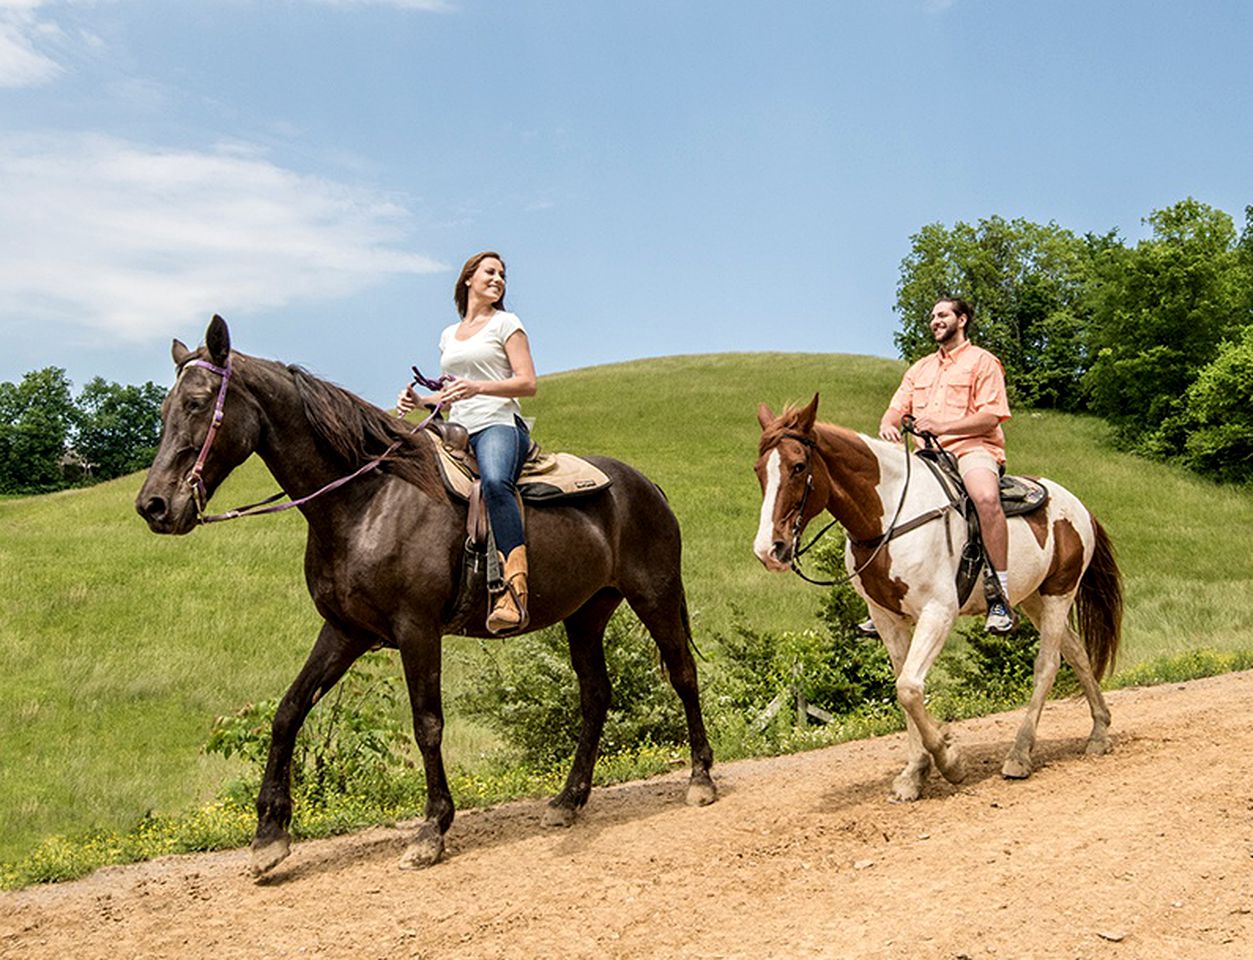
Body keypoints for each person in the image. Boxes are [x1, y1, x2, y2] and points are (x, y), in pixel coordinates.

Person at [397, 251, 537, 633]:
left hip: (497, 423)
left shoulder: (507, 323)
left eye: (503, 275)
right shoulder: (449, 334)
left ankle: (513, 590)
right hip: (455, 430)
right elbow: (449, 393)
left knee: (495, 483)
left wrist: (479, 387)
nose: (498, 279)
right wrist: (421, 401)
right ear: (468, 279)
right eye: (490, 272)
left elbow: (528, 382)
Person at [874, 296, 1015, 635]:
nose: (935, 320)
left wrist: (944, 426)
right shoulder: (920, 368)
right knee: (884, 502)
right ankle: (885, 597)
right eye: (932, 316)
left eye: (942, 315)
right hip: (926, 455)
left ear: (962, 320)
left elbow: (991, 416)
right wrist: (889, 424)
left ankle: (1000, 595)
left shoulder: (983, 362)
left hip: (972, 449)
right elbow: (896, 408)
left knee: (984, 498)